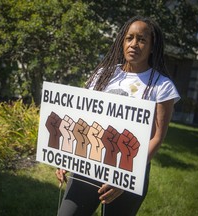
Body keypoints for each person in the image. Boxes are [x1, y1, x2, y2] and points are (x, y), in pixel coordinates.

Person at [55, 15, 180, 216]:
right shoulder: (103, 75)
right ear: (122, 41)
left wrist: (125, 177)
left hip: (130, 173)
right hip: (89, 163)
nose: (134, 44)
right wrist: (67, 156)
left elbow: (156, 137)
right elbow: (82, 119)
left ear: (152, 46)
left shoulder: (162, 86)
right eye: (129, 38)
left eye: (142, 39)